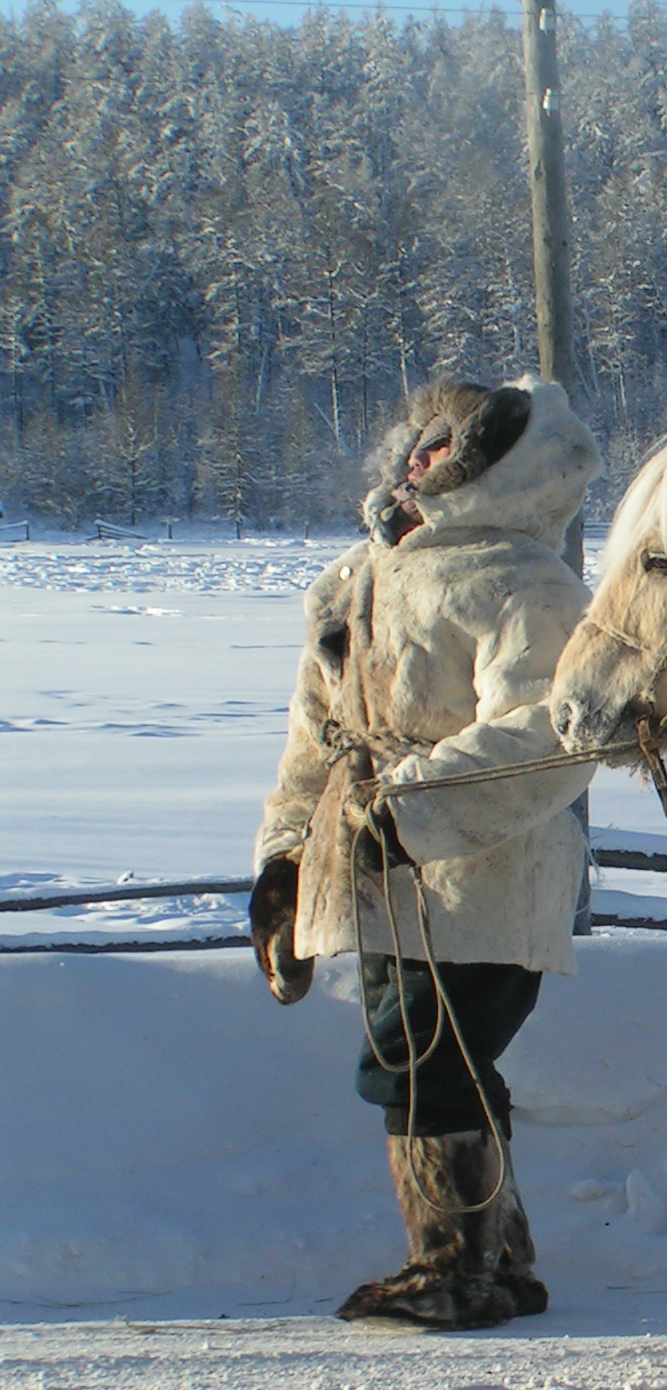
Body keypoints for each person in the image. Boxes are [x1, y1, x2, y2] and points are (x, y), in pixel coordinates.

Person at [249, 376, 601, 1330]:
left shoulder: (525, 582)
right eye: (418, 438)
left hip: (482, 876)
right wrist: (284, 859)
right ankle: (495, 1259)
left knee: (424, 1059)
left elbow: (549, 734)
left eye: (443, 444)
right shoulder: (357, 579)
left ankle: (454, 1268)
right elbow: (317, 737)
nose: (419, 456)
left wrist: (405, 815)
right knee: (433, 1057)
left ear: (487, 463)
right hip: (374, 866)